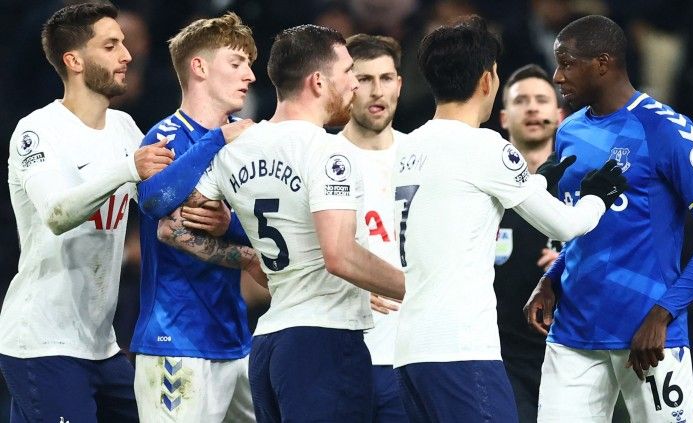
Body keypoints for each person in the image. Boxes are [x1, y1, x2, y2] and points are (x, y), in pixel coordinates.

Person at [157, 24, 406, 422]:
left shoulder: (237, 149)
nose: (354, 87)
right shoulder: (329, 152)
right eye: (348, 74)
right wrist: (419, 290)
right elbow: (340, 256)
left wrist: (246, 257)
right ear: (319, 81)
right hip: (324, 343)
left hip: (269, 346)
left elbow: (171, 229)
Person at [391, 15, 628, 422]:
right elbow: (566, 225)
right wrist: (597, 196)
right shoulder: (484, 146)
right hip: (463, 352)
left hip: (408, 351)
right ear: (487, 80)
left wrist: (535, 183)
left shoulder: (407, 147)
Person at [524, 15, 693, 423]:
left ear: (602, 64)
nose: (556, 76)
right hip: (573, 333)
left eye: (567, 63)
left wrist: (664, 313)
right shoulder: (569, 131)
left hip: (646, 333)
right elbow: (585, 226)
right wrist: (552, 278)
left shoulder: (666, 130)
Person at [0, 2, 174, 422]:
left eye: (125, 45)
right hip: (43, 344)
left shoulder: (124, 128)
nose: (127, 56)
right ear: (74, 60)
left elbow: (160, 205)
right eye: (111, 46)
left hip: (101, 345)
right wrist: (129, 167)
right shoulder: (37, 130)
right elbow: (57, 213)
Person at [130, 13, 259, 422]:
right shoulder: (163, 137)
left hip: (236, 338)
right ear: (199, 67)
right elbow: (155, 202)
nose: (251, 75)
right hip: (175, 341)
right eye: (237, 63)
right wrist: (216, 138)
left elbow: (268, 228)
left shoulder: (250, 141)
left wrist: (229, 225)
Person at [338, 34, 408, 422]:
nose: (377, 91)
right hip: (345, 352)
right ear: (346, 83)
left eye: (386, 78)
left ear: (400, 82)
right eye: (364, 79)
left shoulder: (423, 156)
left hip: (412, 356)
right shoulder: (322, 158)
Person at [493, 63, 560, 423]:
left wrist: (572, 260)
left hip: (571, 351)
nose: (532, 108)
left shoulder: (583, 190)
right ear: (504, 116)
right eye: (521, 101)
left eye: (541, 100)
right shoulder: (485, 190)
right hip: (502, 355)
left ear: (559, 114)